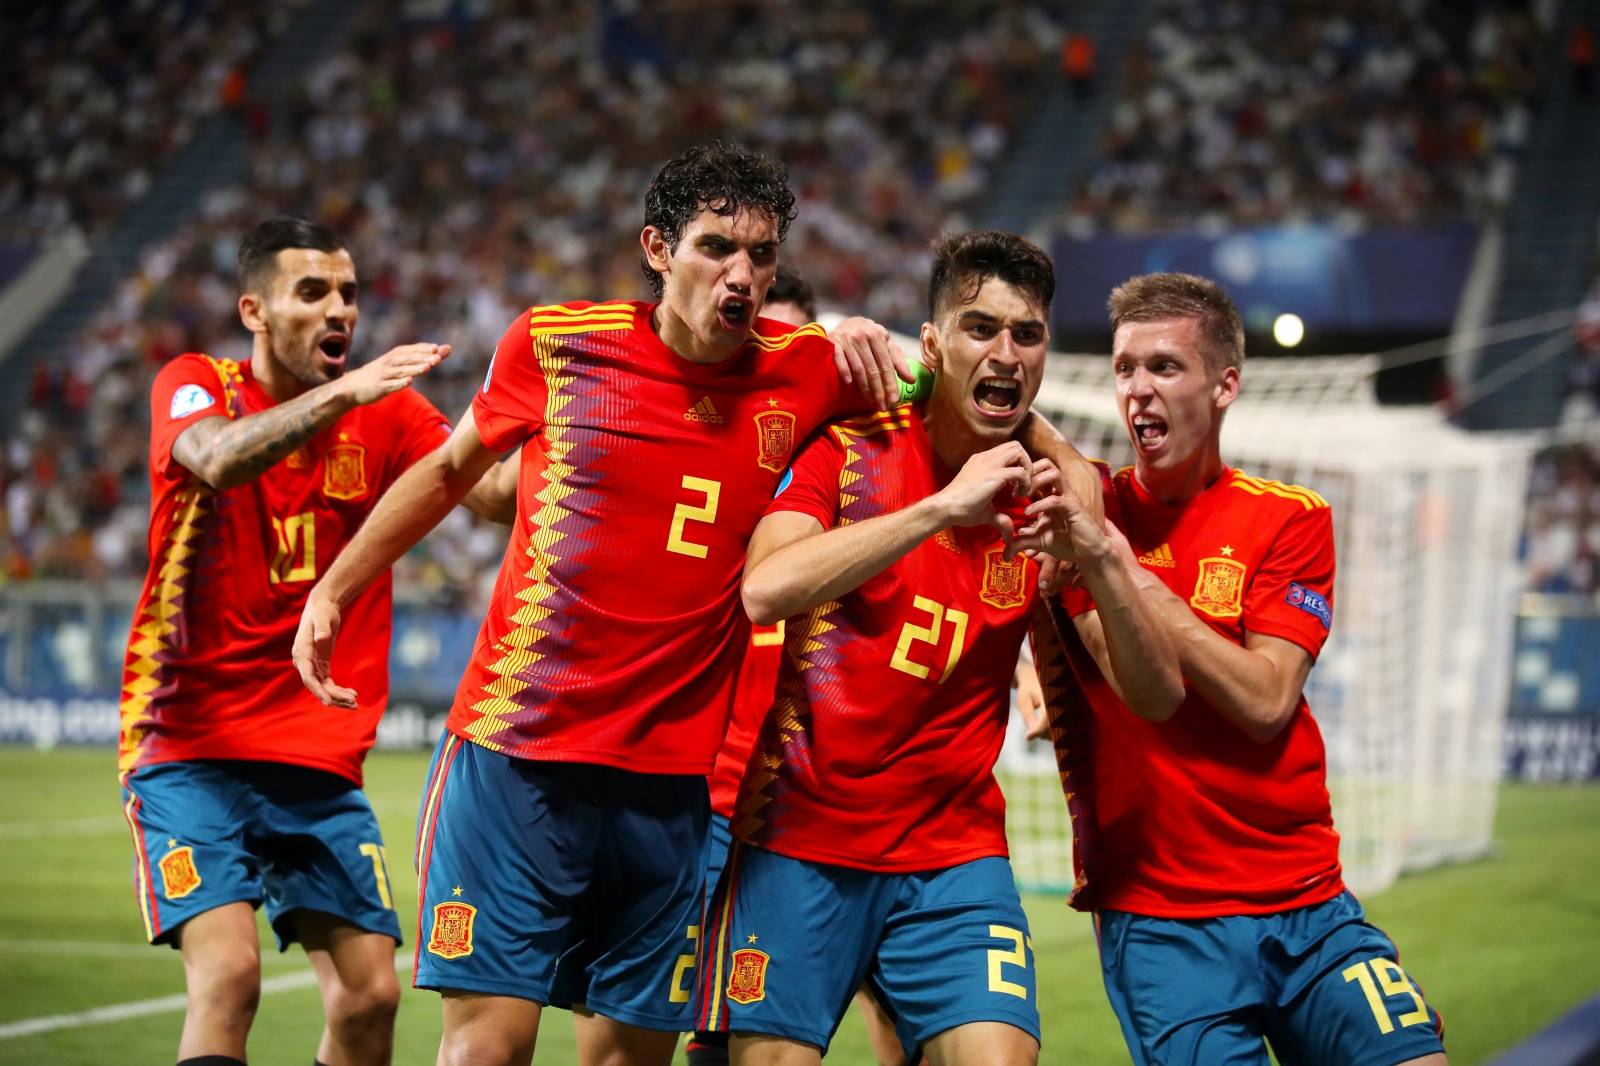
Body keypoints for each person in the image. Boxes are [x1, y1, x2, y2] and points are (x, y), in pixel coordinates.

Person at [291, 142, 942, 1066]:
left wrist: (876, 334)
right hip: (516, 758)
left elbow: (954, 398)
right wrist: (334, 587)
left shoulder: (808, 368)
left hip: (671, 785)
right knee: (486, 1050)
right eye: (717, 247)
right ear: (657, 249)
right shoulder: (556, 343)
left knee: (630, 1057)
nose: (742, 274)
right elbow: (447, 473)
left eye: (761, 255)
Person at [694, 231, 1158, 1066]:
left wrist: (1093, 557)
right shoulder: (849, 447)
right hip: (800, 838)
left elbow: (1145, 689)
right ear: (934, 345)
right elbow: (765, 588)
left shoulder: (1052, 500)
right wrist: (939, 509)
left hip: (952, 855)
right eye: (981, 329)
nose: (1006, 353)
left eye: (1028, 334)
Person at [116, 216, 511, 1066]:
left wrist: (569, 421)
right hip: (190, 745)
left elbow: (491, 493)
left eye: (349, 294)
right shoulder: (196, 384)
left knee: (371, 996)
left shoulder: (390, 412)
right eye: (313, 293)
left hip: (316, 756)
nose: (340, 309)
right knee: (230, 978)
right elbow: (216, 459)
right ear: (254, 311)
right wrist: (344, 393)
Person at [1029, 271, 1449, 1066]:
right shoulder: (1081, 520)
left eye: (1164, 367)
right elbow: (1145, 691)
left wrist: (1127, 570)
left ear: (1225, 385)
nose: (1138, 391)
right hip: (1161, 920)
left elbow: (1265, 700)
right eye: (1125, 369)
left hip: (1306, 901)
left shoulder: (1290, 518)